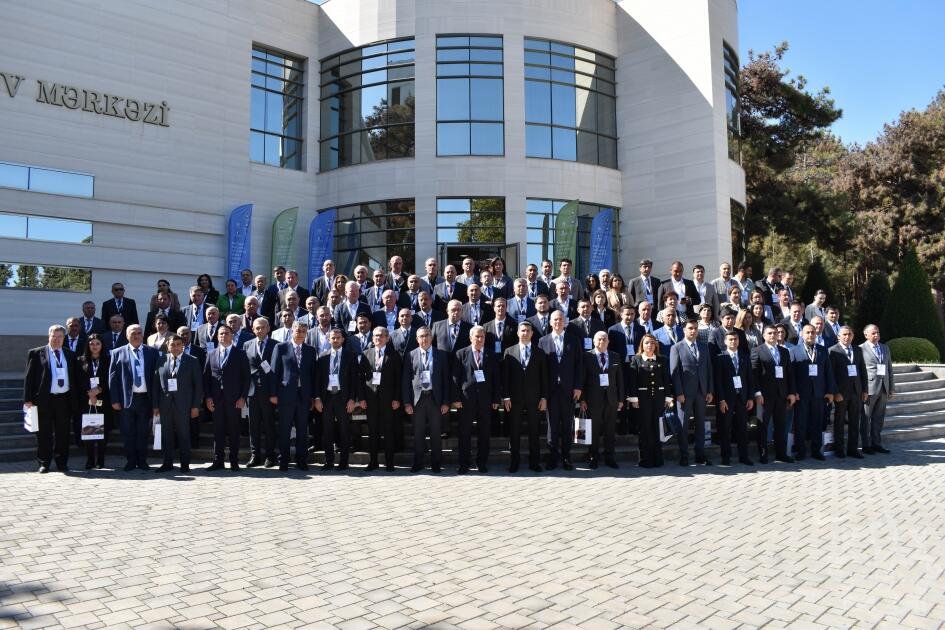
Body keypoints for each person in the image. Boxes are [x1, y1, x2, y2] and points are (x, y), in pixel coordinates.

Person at [23, 324, 82, 473]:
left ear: (64, 338)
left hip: (64, 400)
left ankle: (62, 463)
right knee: (44, 433)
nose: (57, 340)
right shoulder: (36, 353)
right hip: (44, 400)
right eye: (54, 336)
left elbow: (75, 378)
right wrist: (28, 399)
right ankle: (44, 462)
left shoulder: (70, 354)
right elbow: (29, 378)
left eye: (60, 337)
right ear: (49, 336)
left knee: (63, 433)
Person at [109, 324, 159, 471]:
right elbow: (112, 378)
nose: (136, 335)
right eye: (133, 333)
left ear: (143, 335)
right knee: (128, 432)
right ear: (127, 335)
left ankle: (142, 461)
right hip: (126, 400)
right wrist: (115, 400)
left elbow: (157, 379)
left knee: (143, 432)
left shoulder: (152, 352)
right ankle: (131, 461)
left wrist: (156, 402)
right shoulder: (117, 353)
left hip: (146, 399)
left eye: (139, 333)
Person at [452, 326, 501, 474]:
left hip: (486, 401)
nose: (480, 339)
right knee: (464, 433)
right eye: (477, 336)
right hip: (466, 400)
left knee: (484, 433)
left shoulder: (492, 355)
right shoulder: (461, 354)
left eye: (482, 337)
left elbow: (496, 379)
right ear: (470, 338)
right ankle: (464, 463)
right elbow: (455, 378)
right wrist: (456, 398)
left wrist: (496, 399)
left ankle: (482, 463)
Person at [270, 321, 318, 471]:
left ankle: (301, 459)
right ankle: (283, 460)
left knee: (302, 429)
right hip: (285, 395)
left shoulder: (310, 350)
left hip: (304, 396)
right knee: (284, 429)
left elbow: (313, 374)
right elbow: (274, 371)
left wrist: (313, 396)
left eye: (304, 331)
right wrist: (273, 393)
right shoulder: (281, 347)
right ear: (292, 331)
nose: (301, 333)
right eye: (298, 330)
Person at [402, 326, 451, 472]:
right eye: (421, 336)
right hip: (417, 400)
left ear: (432, 337)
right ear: (417, 339)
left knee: (436, 433)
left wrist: (446, 402)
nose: (425, 338)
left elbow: (446, 380)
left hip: (435, 399)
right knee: (418, 433)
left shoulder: (441, 355)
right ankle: (418, 463)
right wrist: (407, 402)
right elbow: (406, 380)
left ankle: (436, 463)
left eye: (427, 335)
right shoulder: (410, 355)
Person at [151, 334, 202, 473]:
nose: (176, 347)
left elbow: (198, 386)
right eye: (172, 345)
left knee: (183, 434)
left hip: (184, 405)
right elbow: (155, 384)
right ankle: (167, 463)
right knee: (166, 435)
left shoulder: (192, 361)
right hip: (164, 405)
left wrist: (195, 406)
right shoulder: (161, 360)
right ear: (167, 346)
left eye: (178, 344)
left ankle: (185, 464)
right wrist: (155, 405)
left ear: (183, 346)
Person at [539, 310, 583, 470]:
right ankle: (553, 457)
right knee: (552, 426)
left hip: (569, 390)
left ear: (565, 322)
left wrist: (578, 387)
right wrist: (543, 394)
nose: (558, 322)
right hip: (551, 391)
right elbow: (541, 369)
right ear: (550, 322)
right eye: (555, 320)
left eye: (560, 319)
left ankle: (566, 456)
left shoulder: (574, 340)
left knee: (567, 425)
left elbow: (579, 365)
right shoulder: (543, 341)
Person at [203, 325, 250, 471]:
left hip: (234, 400)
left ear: (232, 336)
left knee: (234, 430)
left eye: (226, 333)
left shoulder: (240, 354)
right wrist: (208, 397)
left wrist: (243, 397)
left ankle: (234, 461)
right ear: (217, 337)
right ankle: (218, 460)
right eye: (221, 334)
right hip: (216, 400)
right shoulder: (211, 354)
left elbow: (246, 378)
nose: (223, 336)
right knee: (218, 431)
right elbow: (206, 378)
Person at [502, 322, 548, 472]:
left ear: (532, 333)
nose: (525, 333)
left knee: (534, 431)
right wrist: (506, 397)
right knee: (514, 431)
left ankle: (534, 463)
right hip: (514, 399)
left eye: (528, 331)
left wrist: (544, 397)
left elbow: (544, 377)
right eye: (522, 330)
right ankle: (514, 462)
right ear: (517, 333)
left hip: (534, 399)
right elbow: (506, 377)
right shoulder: (509, 351)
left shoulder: (539, 352)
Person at [670, 320, 715, 466]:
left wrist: (709, 390)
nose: (693, 331)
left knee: (700, 424)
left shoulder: (703, 346)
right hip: (685, 393)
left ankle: (700, 455)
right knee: (683, 425)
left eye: (695, 328)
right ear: (684, 330)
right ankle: (684, 455)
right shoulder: (676, 347)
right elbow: (674, 372)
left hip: (701, 392)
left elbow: (709, 369)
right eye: (690, 328)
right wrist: (679, 392)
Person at [751, 325, 797, 463]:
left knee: (780, 426)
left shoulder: (784, 351)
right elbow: (754, 374)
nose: (773, 335)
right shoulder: (757, 351)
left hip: (781, 395)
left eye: (775, 333)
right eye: (770, 333)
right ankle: (763, 454)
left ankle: (781, 454)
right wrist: (757, 393)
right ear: (764, 335)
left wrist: (792, 392)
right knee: (763, 426)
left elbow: (790, 373)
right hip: (764, 396)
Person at [315, 328, 359, 470]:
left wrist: (352, 399)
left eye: (338, 337)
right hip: (327, 398)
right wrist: (317, 398)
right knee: (327, 431)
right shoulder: (322, 356)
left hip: (343, 397)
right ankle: (329, 461)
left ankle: (344, 462)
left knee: (344, 430)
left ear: (343, 339)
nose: (335, 340)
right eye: (333, 338)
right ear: (329, 340)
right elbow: (318, 380)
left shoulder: (350, 355)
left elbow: (354, 379)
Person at [359, 327, 403, 471]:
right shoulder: (366, 353)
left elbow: (399, 379)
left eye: (381, 336)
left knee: (388, 431)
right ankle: (373, 462)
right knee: (373, 432)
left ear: (387, 338)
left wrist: (397, 398)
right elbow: (361, 378)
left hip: (388, 400)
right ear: (372, 338)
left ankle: (389, 462)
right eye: (375, 336)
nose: (378, 338)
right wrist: (362, 398)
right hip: (370, 399)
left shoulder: (394, 355)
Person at [579, 330, 624, 469]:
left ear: (608, 341)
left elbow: (620, 380)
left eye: (604, 339)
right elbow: (582, 379)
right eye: (599, 339)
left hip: (611, 399)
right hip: (593, 399)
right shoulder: (587, 356)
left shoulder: (615, 356)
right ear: (593, 341)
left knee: (610, 429)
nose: (602, 341)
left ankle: (610, 457)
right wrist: (582, 399)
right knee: (594, 429)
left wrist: (621, 399)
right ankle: (593, 456)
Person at [790, 324, 836, 460]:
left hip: (819, 393)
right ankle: (801, 451)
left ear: (816, 334)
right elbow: (791, 374)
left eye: (812, 332)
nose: (810, 335)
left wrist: (830, 391)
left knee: (817, 422)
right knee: (801, 423)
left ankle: (816, 451)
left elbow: (828, 371)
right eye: (807, 332)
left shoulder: (823, 350)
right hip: (801, 394)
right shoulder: (794, 351)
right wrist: (793, 391)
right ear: (802, 334)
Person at [628, 334, 673, 468]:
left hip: (659, 398)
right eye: (647, 343)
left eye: (652, 343)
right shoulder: (636, 359)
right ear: (642, 345)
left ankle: (658, 458)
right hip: (643, 400)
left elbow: (666, 379)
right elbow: (632, 381)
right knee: (645, 428)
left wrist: (668, 397)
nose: (650, 345)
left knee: (657, 428)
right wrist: (634, 399)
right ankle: (645, 459)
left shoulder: (662, 359)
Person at [713, 330, 754, 465]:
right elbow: (718, 381)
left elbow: (749, 378)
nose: (733, 341)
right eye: (730, 339)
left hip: (742, 398)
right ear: (725, 341)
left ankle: (744, 456)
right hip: (727, 399)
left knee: (742, 428)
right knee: (725, 428)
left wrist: (750, 397)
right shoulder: (720, 358)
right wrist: (721, 400)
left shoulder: (744, 357)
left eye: (735, 339)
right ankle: (726, 457)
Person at [829, 326, 868, 458]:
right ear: (839, 336)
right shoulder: (833, 350)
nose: (847, 337)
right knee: (839, 421)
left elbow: (862, 370)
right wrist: (835, 392)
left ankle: (853, 449)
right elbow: (831, 374)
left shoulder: (857, 349)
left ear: (853, 336)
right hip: (841, 393)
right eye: (844, 334)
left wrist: (865, 390)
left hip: (856, 391)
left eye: (849, 334)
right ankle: (839, 448)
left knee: (855, 421)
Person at [244, 317, 278, 468]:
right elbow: (245, 369)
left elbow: (277, 371)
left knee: (269, 425)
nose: (260, 330)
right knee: (253, 426)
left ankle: (270, 456)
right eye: (257, 328)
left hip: (268, 392)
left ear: (268, 328)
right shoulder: (247, 344)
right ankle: (255, 455)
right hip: (252, 392)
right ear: (253, 329)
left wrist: (274, 393)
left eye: (263, 327)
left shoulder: (276, 345)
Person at [78, 333, 111, 470]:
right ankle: (90, 459)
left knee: (103, 431)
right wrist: (90, 393)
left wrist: (98, 389)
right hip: (87, 400)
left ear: (102, 345)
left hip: (103, 399)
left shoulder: (108, 360)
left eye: (97, 343)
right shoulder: (80, 360)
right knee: (89, 430)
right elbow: (78, 379)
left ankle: (101, 459)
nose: (95, 346)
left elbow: (110, 378)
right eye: (92, 344)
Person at [860, 324, 894, 454]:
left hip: (884, 388)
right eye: (873, 333)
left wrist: (891, 387)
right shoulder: (860, 349)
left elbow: (889, 369)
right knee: (866, 418)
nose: (876, 335)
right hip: (869, 389)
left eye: (878, 332)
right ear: (866, 335)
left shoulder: (885, 348)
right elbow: (860, 372)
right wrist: (863, 390)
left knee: (879, 418)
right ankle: (865, 445)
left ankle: (876, 443)